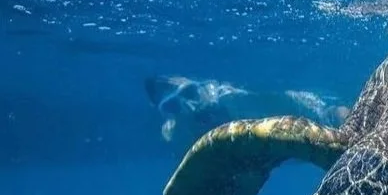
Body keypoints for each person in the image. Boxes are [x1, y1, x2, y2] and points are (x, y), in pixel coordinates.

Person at [144, 74, 350, 152]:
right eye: (173, 107)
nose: (189, 106)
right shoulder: (174, 132)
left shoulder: (232, 99)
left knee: (342, 121)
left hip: (310, 123)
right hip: (279, 154)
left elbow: (302, 105)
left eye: (190, 93)